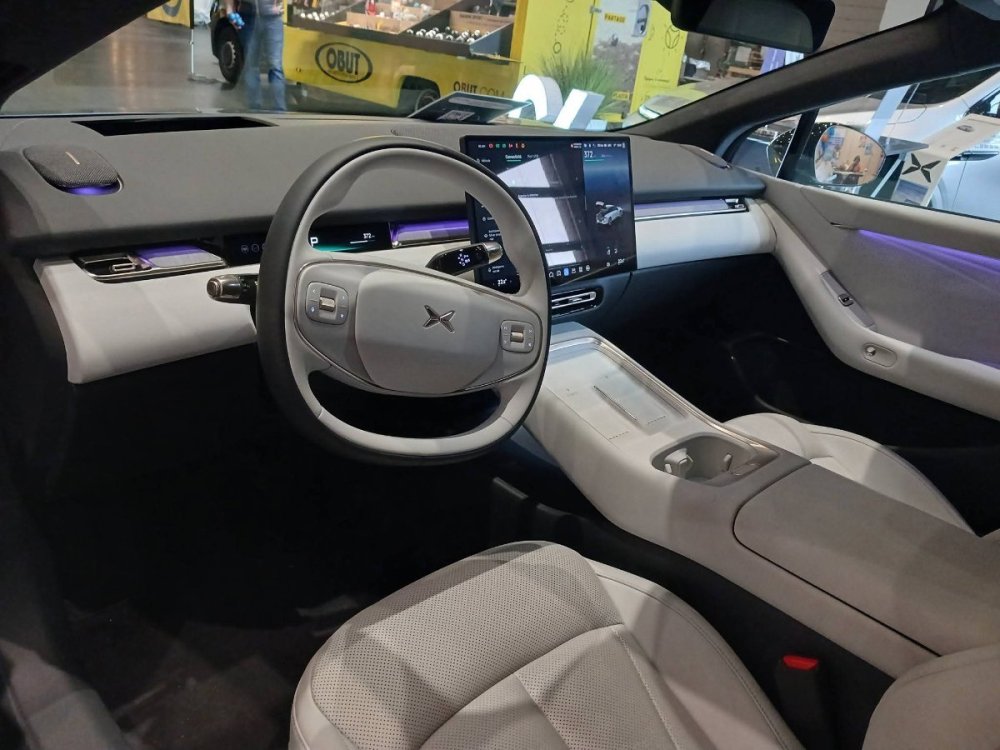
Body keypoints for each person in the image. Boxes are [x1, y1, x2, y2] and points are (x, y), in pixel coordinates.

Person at [225, 0, 286, 111]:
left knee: (274, 65)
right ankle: (255, 108)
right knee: (252, 66)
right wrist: (229, 9)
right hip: (248, 17)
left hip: (272, 17)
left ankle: (279, 110)